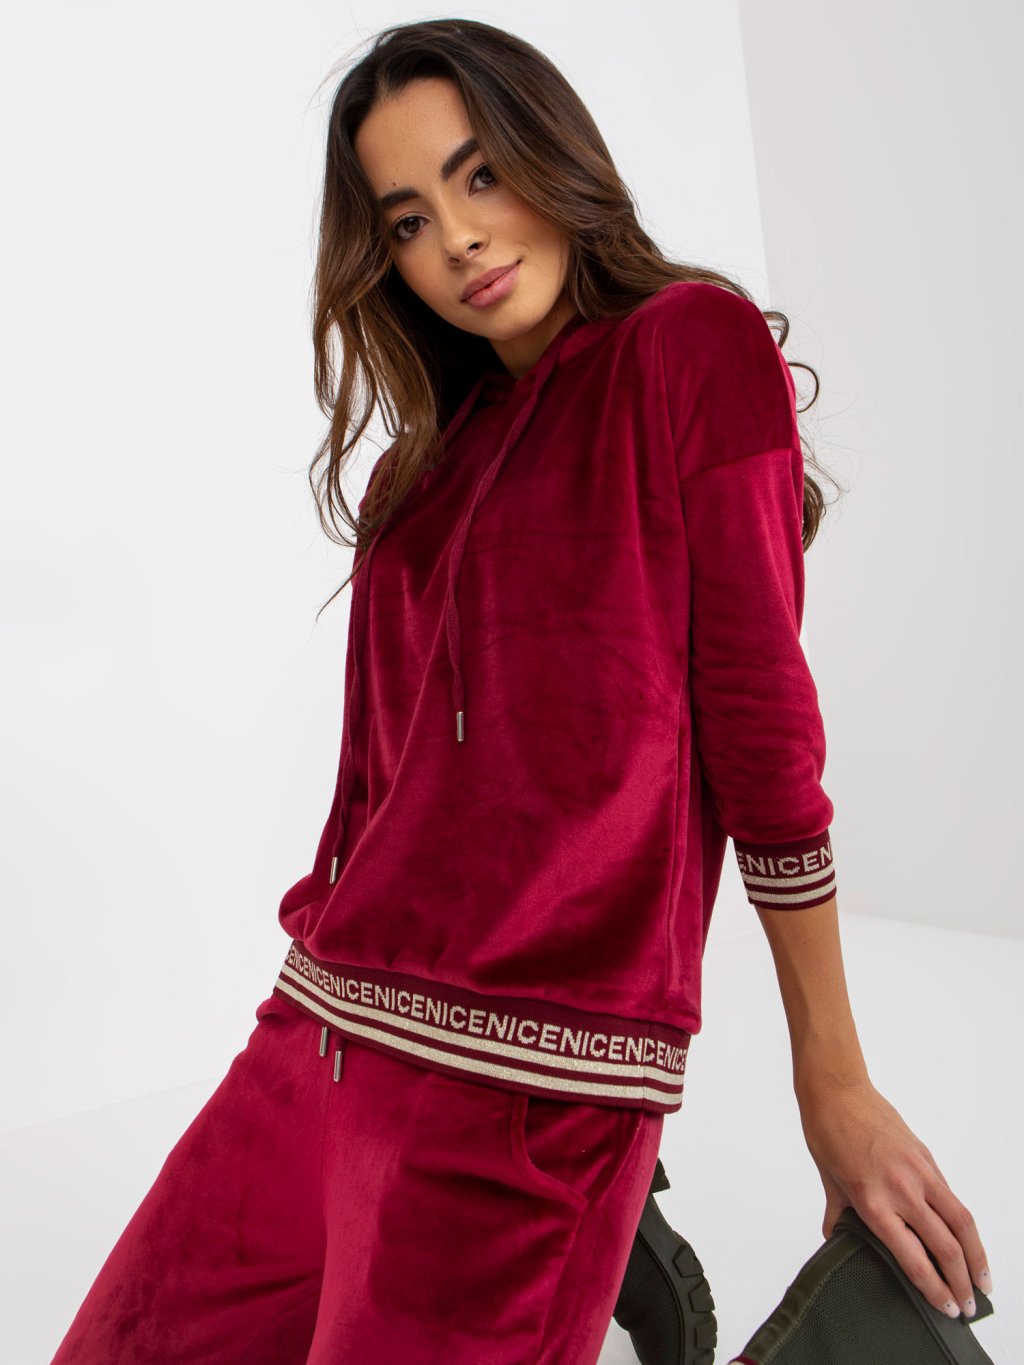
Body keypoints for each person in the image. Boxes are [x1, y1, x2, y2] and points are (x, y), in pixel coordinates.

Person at [50, 17, 992, 1365]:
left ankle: (655, 1249)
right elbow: (382, 783)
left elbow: (765, 748)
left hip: (533, 1085)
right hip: (326, 1027)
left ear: (552, 154)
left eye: (480, 174)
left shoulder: (689, 349)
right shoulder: (415, 474)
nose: (459, 239)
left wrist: (831, 1082)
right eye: (408, 220)